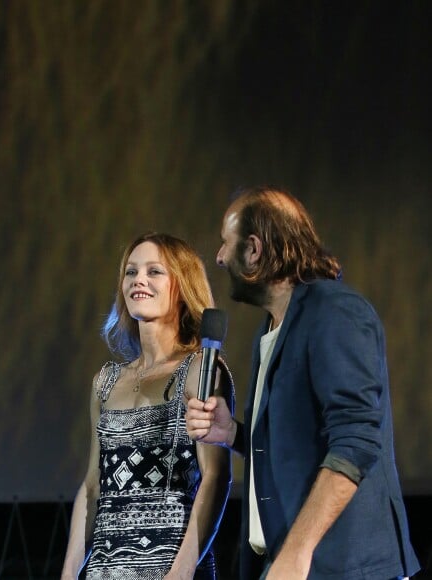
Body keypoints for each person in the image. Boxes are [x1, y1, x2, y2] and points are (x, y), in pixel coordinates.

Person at [185, 187, 420, 580]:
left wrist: (297, 551)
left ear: (254, 250)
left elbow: (358, 439)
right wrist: (234, 434)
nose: (220, 257)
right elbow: (301, 444)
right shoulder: (272, 330)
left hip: (339, 568)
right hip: (285, 562)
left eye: (226, 244)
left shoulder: (334, 312)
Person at [61, 232, 234, 579]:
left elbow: (216, 476)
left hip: (170, 568)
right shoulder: (106, 381)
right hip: (104, 571)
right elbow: (93, 485)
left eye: (155, 271)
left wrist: (182, 572)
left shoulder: (200, 369)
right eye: (130, 271)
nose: (138, 279)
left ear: (182, 286)